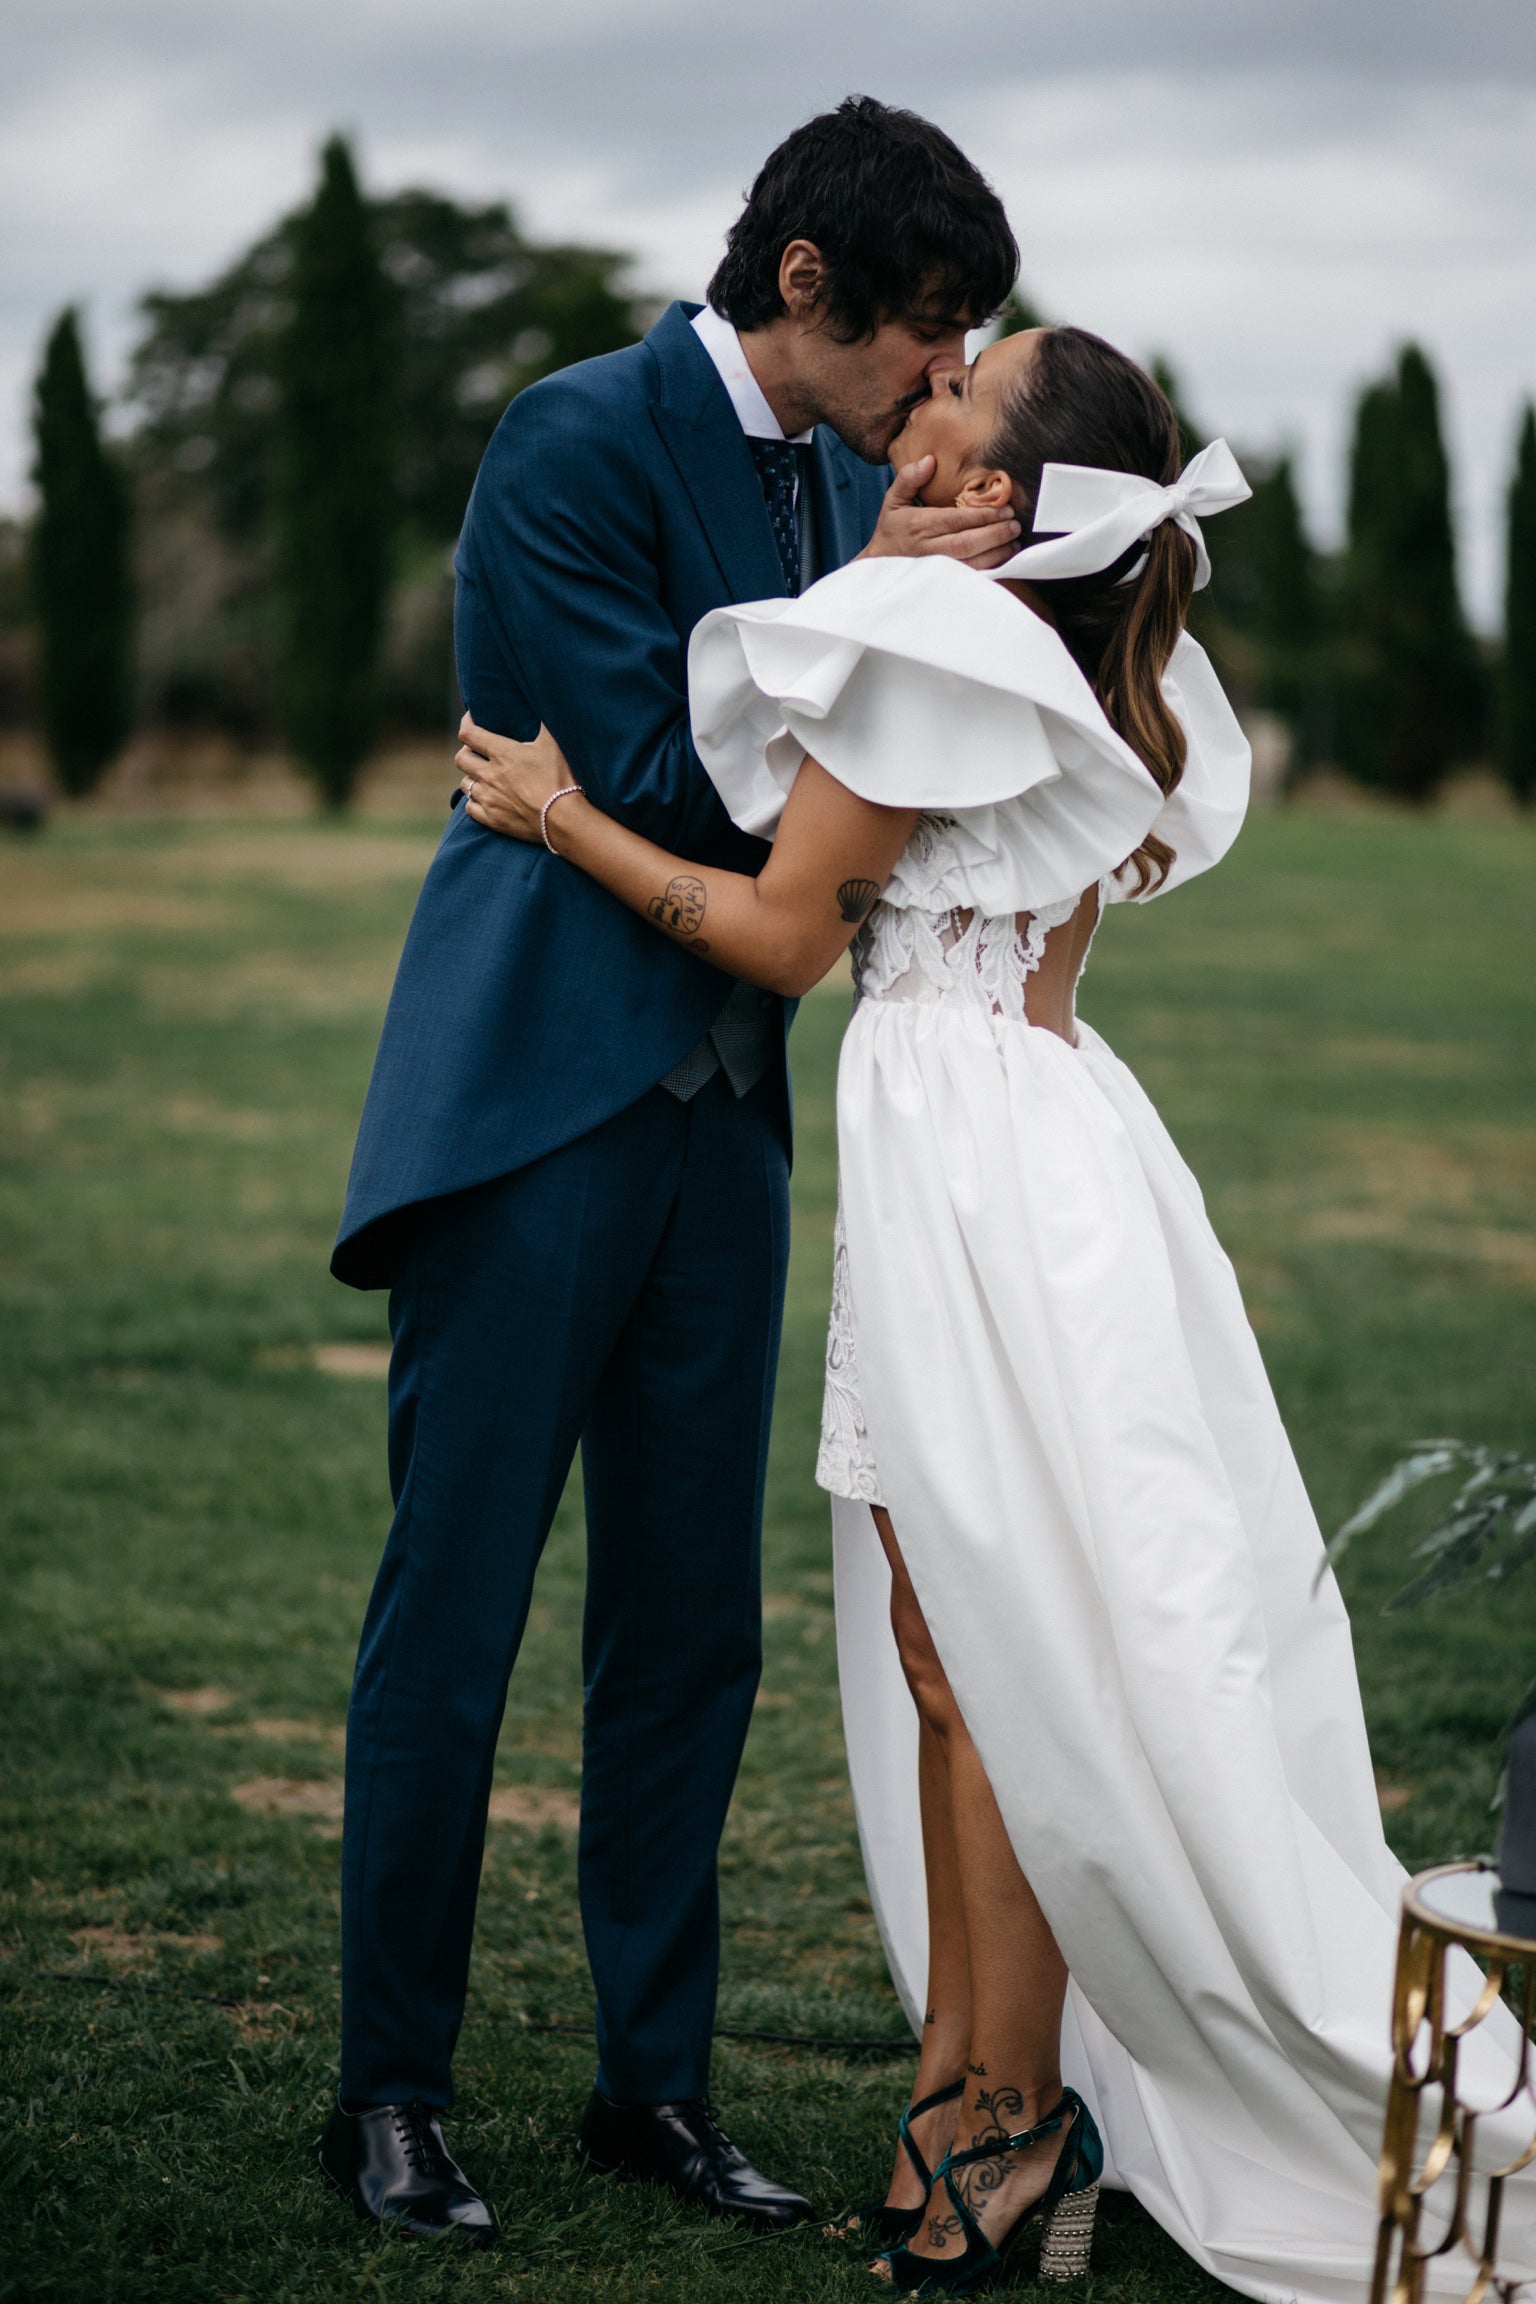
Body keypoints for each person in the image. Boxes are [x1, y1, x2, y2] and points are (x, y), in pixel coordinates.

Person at [454, 321, 1536, 2300]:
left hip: (982, 1183)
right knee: (966, 1654)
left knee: (993, 1654)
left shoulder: (943, 657)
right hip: (1025, 1153)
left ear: (1007, 482)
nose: (922, 389)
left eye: (965, 386)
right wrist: (888, 556)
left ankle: (1002, 2106)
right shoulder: (1055, 648)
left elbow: (785, 938)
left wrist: (558, 818)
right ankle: (974, 2080)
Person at [319, 97, 1021, 2246]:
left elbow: (815, 815)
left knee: (689, 1634)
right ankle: (393, 2095)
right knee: (458, 1612)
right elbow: (655, 778)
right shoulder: (568, 435)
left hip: (730, 1120)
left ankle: (656, 2091)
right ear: (804, 282)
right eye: (924, 332)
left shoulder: (843, 480)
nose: (940, 382)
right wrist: (865, 617)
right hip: (533, 1108)